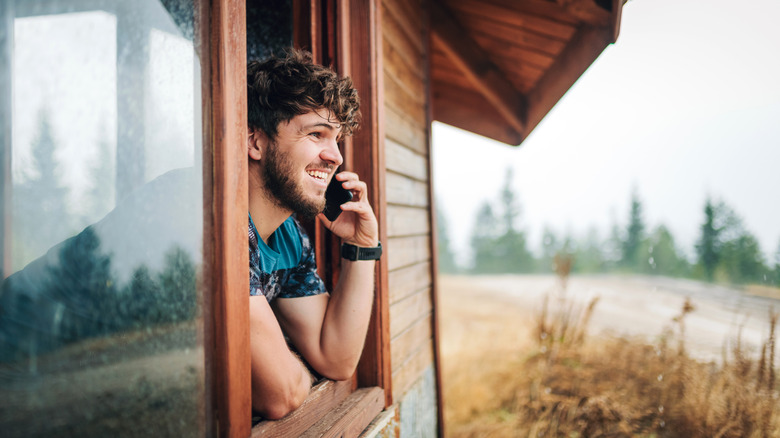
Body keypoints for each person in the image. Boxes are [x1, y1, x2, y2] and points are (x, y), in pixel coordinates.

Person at [245, 49, 381, 420]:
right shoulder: (218, 229)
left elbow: (336, 358)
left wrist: (362, 247)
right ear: (254, 141)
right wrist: (292, 366)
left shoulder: (289, 236)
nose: (335, 156)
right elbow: (281, 393)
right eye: (316, 134)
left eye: (336, 138)